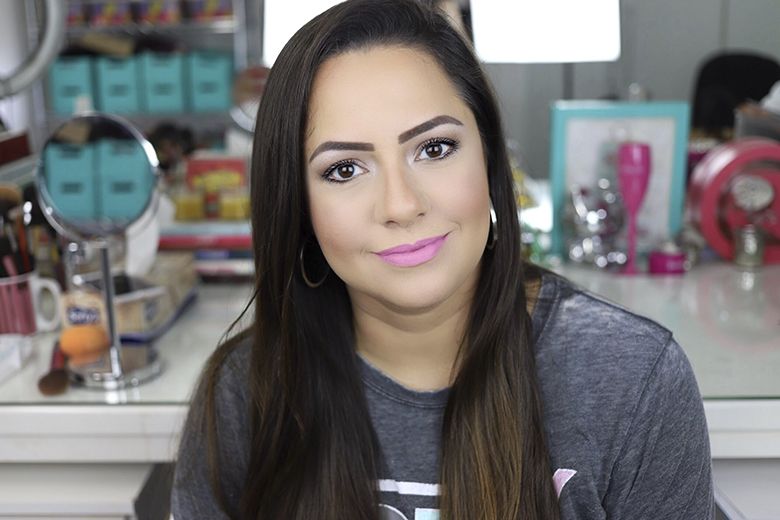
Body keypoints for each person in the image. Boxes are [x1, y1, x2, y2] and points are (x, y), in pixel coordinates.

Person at [172, 1, 714, 518]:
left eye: (434, 149)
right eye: (344, 169)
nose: (401, 205)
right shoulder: (245, 393)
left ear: (490, 156)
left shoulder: (634, 380)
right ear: (297, 204)